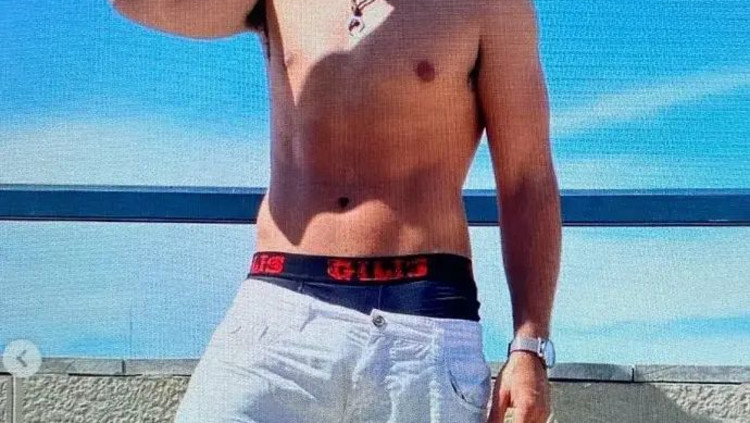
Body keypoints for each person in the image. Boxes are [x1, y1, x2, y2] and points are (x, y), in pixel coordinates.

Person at [111, 0, 561, 421]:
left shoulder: (492, 7)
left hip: (423, 325)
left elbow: (528, 178)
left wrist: (530, 346)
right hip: (279, 311)